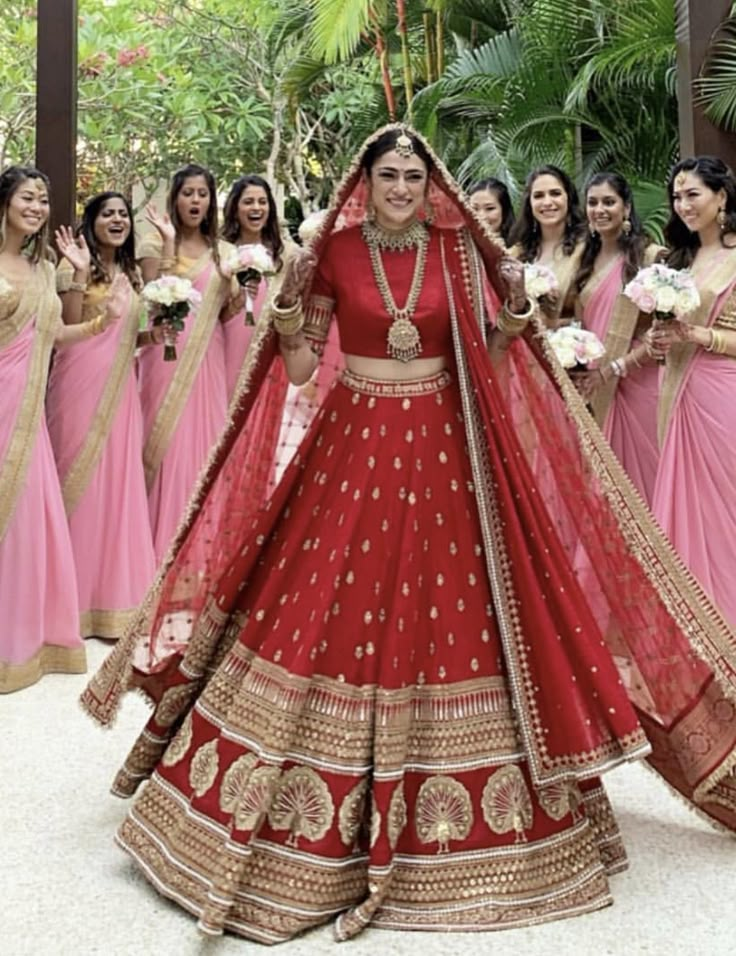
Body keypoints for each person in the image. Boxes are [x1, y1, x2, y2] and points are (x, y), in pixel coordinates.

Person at [82, 128, 736, 942]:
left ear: (433, 184)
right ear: (367, 180)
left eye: (412, 176)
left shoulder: (461, 255)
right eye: (386, 174)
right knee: (325, 605)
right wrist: (286, 318)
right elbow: (296, 370)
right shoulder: (333, 250)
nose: (399, 186)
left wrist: (516, 317)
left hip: (439, 452)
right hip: (350, 445)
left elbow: (491, 354)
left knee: (452, 613)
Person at [0, 167, 124, 691]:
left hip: (29, 409)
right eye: (27, 197)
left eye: (44, 199)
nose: (37, 206)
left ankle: (22, 637)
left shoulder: (44, 267)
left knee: (27, 515)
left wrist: (103, 321)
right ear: (4, 201)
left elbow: (54, 335)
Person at [45, 192, 158, 640]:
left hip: (121, 389)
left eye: (122, 214)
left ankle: (112, 603)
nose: (117, 220)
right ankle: (67, 604)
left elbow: (127, 336)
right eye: (107, 213)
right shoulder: (70, 265)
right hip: (77, 386)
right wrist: (75, 273)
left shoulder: (129, 272)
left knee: (116, 487)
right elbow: (65, 331)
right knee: (78, 479)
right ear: (91, 222)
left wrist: (155, 335)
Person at [648, 156, 736, 628]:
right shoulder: (675, 260)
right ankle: (697, 636)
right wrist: (657, 339)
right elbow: (664, 333)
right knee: (687, 519)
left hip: (723, 399)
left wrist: (701, 337)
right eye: (677, 196)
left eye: (693, 194)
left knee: (727, 518)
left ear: (721, 197)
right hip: (678, 393)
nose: (683, 205)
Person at [137, 163, 234, 562]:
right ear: (175, 197)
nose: (196, 201)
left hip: (207, 360)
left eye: (203, 194)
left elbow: (224, 315)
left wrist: (240, 299)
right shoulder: (152, 241)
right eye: (188, 193)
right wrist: (170, 243)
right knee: (164, 446)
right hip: (165, 354)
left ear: (212, 201)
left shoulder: (223, 252)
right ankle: (154, 558)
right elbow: (153, 299)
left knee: (203, 447)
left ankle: (201, 558)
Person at [571, 173, 664, 505]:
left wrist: (614, 367)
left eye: (608, 202)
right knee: (603, 493)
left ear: (626, 208)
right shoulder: (583, 259)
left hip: (638, 385)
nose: (600, 210)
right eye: (593, 202)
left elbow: (662, 335)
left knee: (643, 486)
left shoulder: (650, 258)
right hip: (594, 388)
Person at [220, 174, 286, 401]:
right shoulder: (222, 253)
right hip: (227, 349)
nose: (256, 207)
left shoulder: (285, 255)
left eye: (262, 201)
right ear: (235, 208)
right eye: (248, 202)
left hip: (269, 352)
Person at [509, 164, 585, 325]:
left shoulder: (587, 248)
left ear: (568, 198)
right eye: (538, 196)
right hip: (520, 345)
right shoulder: (516, 254)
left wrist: (553, 324)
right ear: (529, 204)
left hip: (572, 344)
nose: (547, 202)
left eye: (555, 193)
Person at [468, 177, 515, 244]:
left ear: (504, 210)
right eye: (474, 209)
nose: (481, 216)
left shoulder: (522, 246)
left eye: (490, 208)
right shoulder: (458, 243)